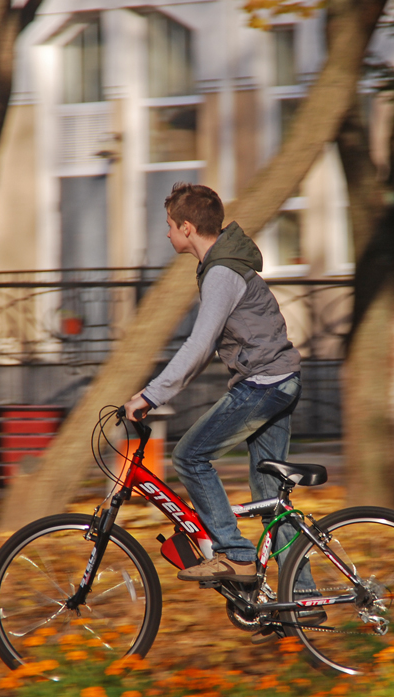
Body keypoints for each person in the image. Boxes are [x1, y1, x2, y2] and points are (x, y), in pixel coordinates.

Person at [124, 183, 301, 584]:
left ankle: (235, 555)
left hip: (265, 384)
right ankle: (301, 601)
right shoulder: (222, 266)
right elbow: (208, 347)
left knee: (189, 456)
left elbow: (200, 343)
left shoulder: (221, 272)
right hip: (279, 380)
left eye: (169, 225)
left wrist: (151, 394)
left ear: (187, 228)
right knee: (270, 500)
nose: (167, 234)